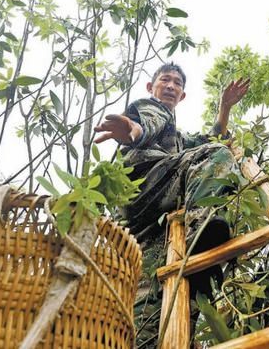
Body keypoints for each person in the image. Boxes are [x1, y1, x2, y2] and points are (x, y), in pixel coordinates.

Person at [94, 62, 249, 347]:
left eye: (177, 83)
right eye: (165, 80)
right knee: (214, 156)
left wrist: (224, 108)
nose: (170, 86)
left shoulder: (177, 140)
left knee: (155, 298)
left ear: (183, 95)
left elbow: (209, 138)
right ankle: (203, 226)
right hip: (143, 185)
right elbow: (146, 124)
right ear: (151, 86)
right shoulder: (151, 107)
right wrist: (132, 130)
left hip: (146, 227)